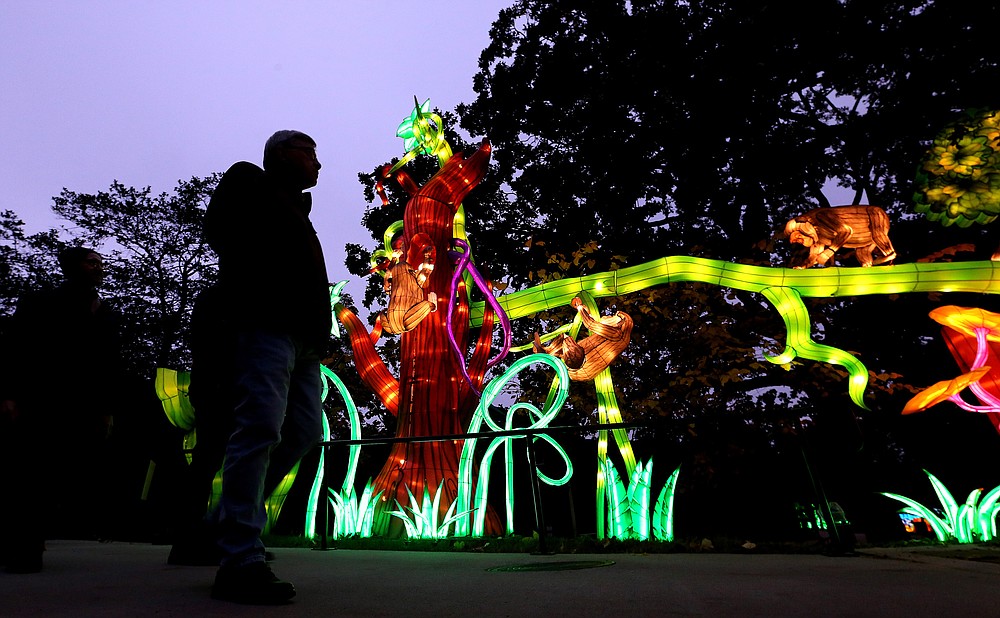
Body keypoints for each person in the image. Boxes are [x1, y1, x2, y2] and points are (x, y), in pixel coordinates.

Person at [203, 130, 331, 604]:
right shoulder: (248, 183)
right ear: (282, 154)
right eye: (310, 153)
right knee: (258, 426)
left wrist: (322, 335)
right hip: (265, 326)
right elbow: (220, 232)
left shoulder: (299, 209)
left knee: (301, 432)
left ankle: (224, 524)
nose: (318, 165)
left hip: (306, 341)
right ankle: (238, 554)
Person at [0, 247, 123, 573]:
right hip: (43, 399)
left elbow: (108, 365)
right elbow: (15, 346)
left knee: (57, 471)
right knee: (32, 470)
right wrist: (10, 394)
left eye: (100, 262)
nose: (98, 266)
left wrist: (106, 407)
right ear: (72, 267)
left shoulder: (104, 312)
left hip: (82, 404)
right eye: (90, 261)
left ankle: (31, 537)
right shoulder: (41, 303)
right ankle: (24, 545)